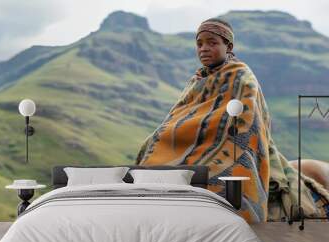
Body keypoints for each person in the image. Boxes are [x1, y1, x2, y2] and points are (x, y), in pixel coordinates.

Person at [135, 18, 329, 223]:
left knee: (223, 184)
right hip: (201, 150)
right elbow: (178, 121)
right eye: (199, 44)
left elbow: (246, 124)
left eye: (212, 42)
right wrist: (157, 139)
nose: (204, 49)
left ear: (228, 46)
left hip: (236, 148)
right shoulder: (196, 81)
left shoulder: (242, 77)